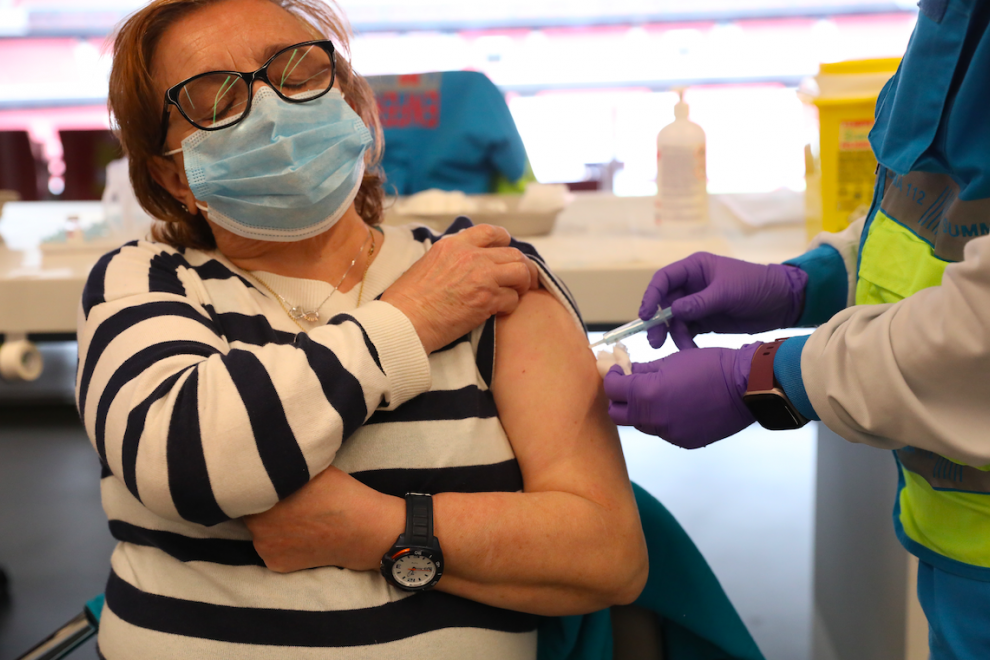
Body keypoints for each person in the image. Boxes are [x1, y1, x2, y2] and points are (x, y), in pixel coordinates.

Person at [79, 0, 648, 656]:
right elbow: (186, 460)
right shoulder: (146, 279)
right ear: (171, 175)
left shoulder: (483, 273)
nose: (270, 110)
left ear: (349, 98)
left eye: (295, 72)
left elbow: (608, 556)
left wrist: (381, 529)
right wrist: (407, 321)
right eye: (215, 98)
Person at [604, 2, 990, 657]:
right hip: (954, 536)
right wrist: (811, 283)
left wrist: (759, 379)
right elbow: (935, 222)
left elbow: (975, 331)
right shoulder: (955, 20)